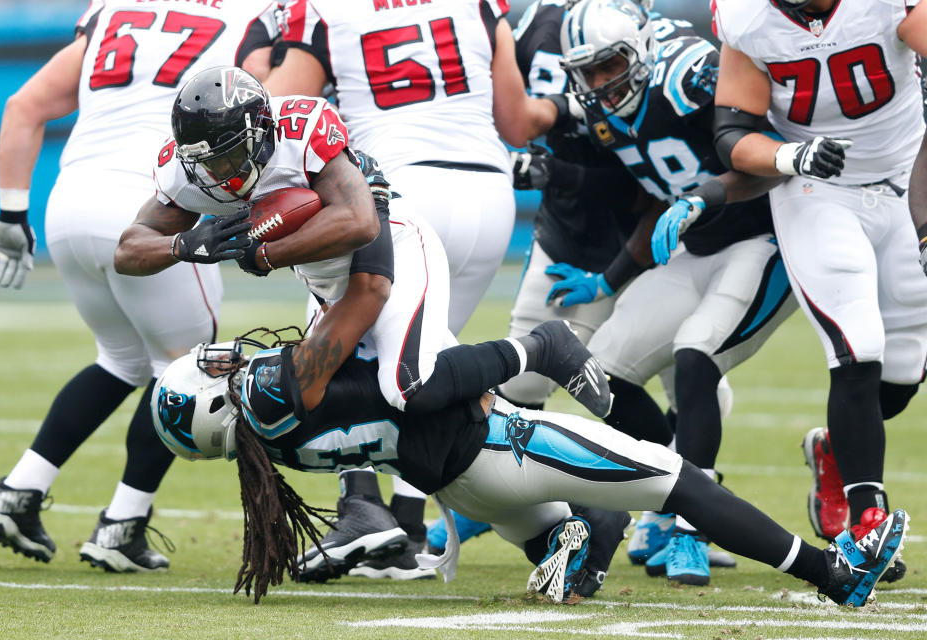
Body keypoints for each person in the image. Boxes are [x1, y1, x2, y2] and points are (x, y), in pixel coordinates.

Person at [112, 65, 614, 581]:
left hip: (385, 249)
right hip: (325, 279)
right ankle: (568, 515)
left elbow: (357, 220)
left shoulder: (301, 126)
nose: (221, 172)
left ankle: (539, 351)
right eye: (207, 161)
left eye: (231, 153)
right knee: (417, 399)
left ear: (260, 129)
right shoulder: (186, 170)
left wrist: (265, 252)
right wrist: (185, 244)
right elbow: (128, 249)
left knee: (408, 385)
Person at [150, 327, 908, 608]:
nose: (230, 361)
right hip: (500, 443)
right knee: (678, 481)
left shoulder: (269, 449)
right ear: (223, 410)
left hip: (462, 481)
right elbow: (420, 391)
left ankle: (573, 539)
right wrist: (528, 354)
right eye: (216, 376)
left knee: (569, 545)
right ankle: (832, 575)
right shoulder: (275, 394)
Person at [261, 0, 582, 580]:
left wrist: (260, 51)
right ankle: (406, 526)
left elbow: (273, 115)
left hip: (396, 193)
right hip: (487, 194)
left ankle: (362, 504)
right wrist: (561, 106)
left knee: (341, 353)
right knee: (423, 370)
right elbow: (516, 121)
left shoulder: (324, 11)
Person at [0, 0, 280, 572]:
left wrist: (11, 213)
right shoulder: (253, 16)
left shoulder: (116, 9)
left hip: (70, 200)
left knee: (119, 359)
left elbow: (23, 105)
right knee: (184, 367)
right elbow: (274, 110)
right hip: (153, 206)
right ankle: (122, 525)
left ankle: (20, 489)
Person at [536, 0, 801, 585]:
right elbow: (662, 188)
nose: (602, 84)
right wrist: (608, 278)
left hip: (764, 239)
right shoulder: (611, 115)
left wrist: (702, 197)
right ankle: (675, 486)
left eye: (612, 66)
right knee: (601, 371)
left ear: (642, 50)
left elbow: (768, 155)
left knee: (695, 354)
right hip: (699, 248)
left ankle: (693, 529)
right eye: (589, 73)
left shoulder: (689, 74)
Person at [712, 0, 927, 583]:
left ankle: (834, 452)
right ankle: (866, 522)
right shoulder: (748, 17)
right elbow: (732, 130)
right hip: (818, 187)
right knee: (857, 346)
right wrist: (789, 153)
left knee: (904, 372)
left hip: (911, 175)